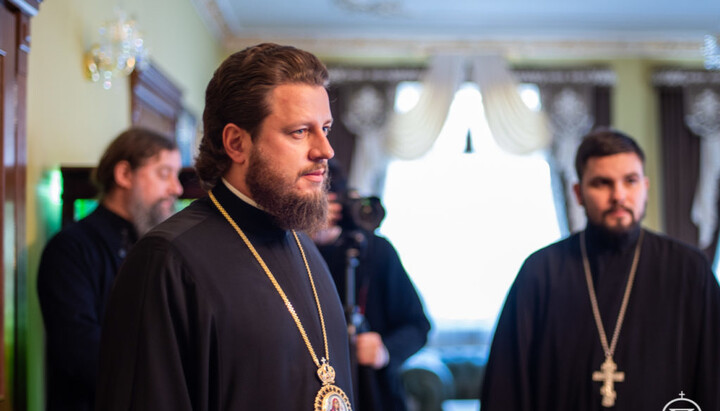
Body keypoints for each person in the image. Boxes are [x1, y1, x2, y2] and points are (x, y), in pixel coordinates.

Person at [95, 43, 354, 410]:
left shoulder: (303, 244)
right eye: (300, 131)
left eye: (325, 128)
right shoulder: (167, 259)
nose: (325, 150)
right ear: (236, 143)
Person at [480, 128, 720, 410]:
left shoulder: (689, 271)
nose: (618, 195)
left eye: (630, 181)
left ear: (645, 187)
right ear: (578, 193)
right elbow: (505, 386)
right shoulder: (540, 273)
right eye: (602, 183)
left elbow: (714, 378)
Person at [37, 127, 183, 411]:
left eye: (176, 176)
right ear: (124, 174)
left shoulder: (159, 250)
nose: (176, 188)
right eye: (164, 173)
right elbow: (80, 352)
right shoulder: (71, 248)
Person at [313, 162, 431, 411]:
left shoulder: (375, 250)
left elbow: (418, 325)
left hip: (373, 392)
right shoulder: (287, 251)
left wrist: (385, 350)